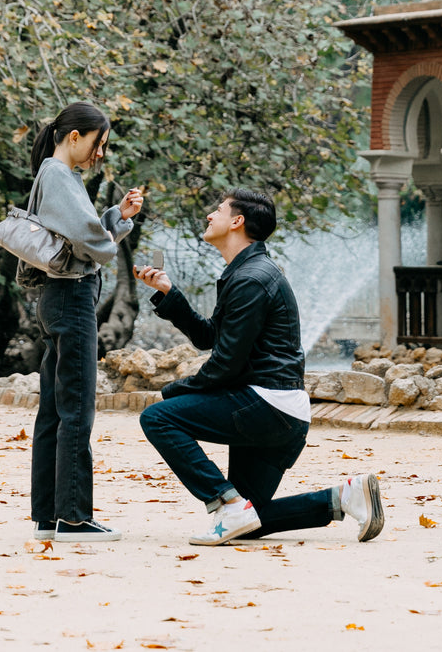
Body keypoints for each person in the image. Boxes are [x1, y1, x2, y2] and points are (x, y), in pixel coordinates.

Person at [134, 188, 384, 546]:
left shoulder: (251, 278)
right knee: (251, 519)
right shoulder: (246, 273)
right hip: (279, 410)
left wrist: (177, 390)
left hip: (268, 405)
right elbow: (210, 338)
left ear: (237, 221)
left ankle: (223, 502)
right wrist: (168, 293)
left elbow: (225, 364)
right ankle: (345, 497)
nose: (209, 216)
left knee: (158, 417)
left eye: (217, 210)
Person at [26, 101, 144, 543]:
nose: (101, 154)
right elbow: (89, 240)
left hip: (59, 296)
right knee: (77, 407)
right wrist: (108, 238)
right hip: (71, 296)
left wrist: (118, 219)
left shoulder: (59, 176)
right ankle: (74, 518)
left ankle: (49, 516)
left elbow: (83, 231)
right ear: (74, 137)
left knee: (55, 409)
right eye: (99, 143)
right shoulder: (58, 175)